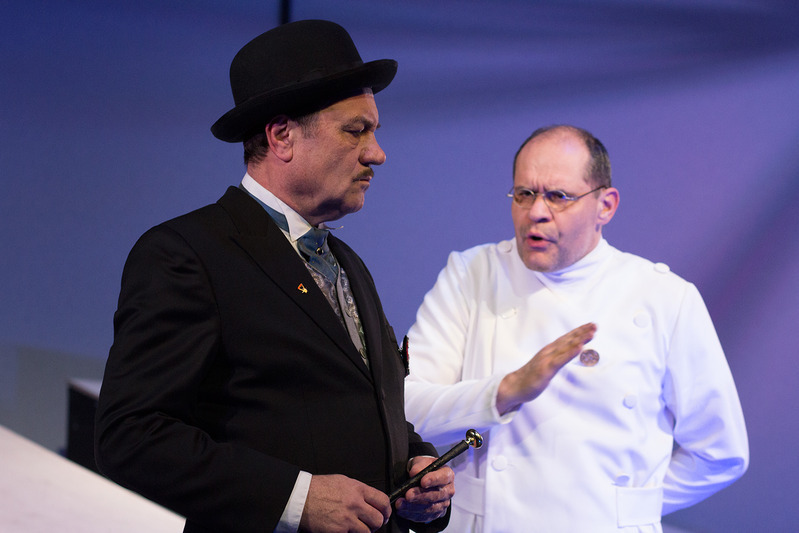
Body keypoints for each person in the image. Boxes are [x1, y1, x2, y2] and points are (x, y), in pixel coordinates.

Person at [95, 19, 454, 533]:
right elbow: (130, 435)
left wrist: (417, 466)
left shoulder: (349, 263)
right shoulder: (188, 254)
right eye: (356, 130)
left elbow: (359, 408)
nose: (377, 153)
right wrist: (295, 499)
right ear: (282, 136)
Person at [403, 124, 748, 532]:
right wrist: (505, 392)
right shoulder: (472, 274)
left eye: (558, 196)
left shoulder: (665, 297)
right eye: (524, 194)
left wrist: (624, 505)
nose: (536, 211)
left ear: (606, 205)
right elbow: (408, 410)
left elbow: (719, 452)